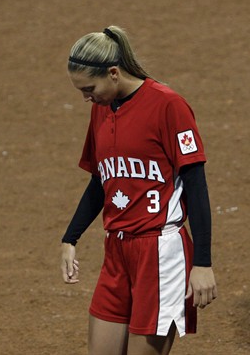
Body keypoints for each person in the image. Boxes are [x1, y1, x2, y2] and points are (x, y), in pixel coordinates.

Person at [60, 26, 217, 355]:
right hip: (116, 250)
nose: (86, 97)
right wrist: (70, 237)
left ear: (113, 73)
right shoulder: (102, 107)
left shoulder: (167, 106)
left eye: (89, 88)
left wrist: (202, 263)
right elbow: (101, 180)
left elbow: (196, 186)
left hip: (159, 252)